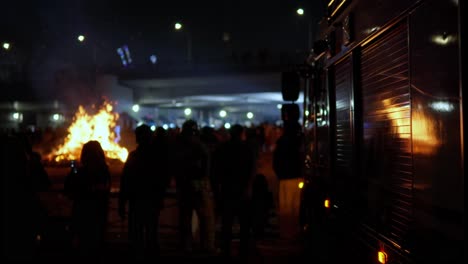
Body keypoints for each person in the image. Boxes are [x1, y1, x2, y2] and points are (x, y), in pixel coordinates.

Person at [118, 124, 170, 260]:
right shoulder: (158, 157)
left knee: (137, 233)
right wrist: (161, 196)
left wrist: (122, 203)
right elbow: (163, 178)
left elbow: (125, 181)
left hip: (137, 200)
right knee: (151, 232)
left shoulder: (134, 156)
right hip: (151, 200)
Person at [173, 120, 216, 254]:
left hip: (184, 185)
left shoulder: (178, 146)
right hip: (197, 185)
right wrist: (205, 181)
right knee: (204, 217)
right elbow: (206, 165)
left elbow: (174, 166)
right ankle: (206, 246)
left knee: (185, 218)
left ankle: (186, 245)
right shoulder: (199, 145)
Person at [213, 124, 256, 258]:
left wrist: (217, 189)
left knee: (227, 223)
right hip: (242, 189)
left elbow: (216, 170)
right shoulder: (247, 148)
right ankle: (243, 250)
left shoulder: (222, 148)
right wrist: (249, 187)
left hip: (227, 189)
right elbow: (251, 170)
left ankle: (226, 249)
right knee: (244, 224)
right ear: (241, 134)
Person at [64, 140, 111, 259]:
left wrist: (73, 172)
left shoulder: (81, 172)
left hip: (83, 212)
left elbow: (69, 188)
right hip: (98, 213)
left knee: (83, 244)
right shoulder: (104, 170)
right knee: (96, 243)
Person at [272, 121, 304, 241]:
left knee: (285, 205)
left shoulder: (281, 143)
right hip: (296, 177)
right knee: (295, 206)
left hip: (284, 178)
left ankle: (285, 232)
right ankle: (294, 231)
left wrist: (280, 174)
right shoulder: (298, 142)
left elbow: (276, 162)